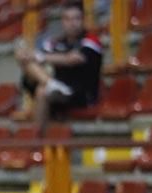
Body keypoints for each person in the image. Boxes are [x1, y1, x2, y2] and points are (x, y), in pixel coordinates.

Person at [14, 1, 102, 131]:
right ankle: (50, 83)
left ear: (83, 20)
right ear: (62, 21)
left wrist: (40, 57)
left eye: (76, 18)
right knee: (29, 66)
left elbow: (74, 59)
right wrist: (24, 55)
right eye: (68, 19)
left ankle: (36, 143)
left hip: (81, 94)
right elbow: (33, 57)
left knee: (42, 90)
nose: (72, 23)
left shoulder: (90, 40)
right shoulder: (56, 42)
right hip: (58, 90)